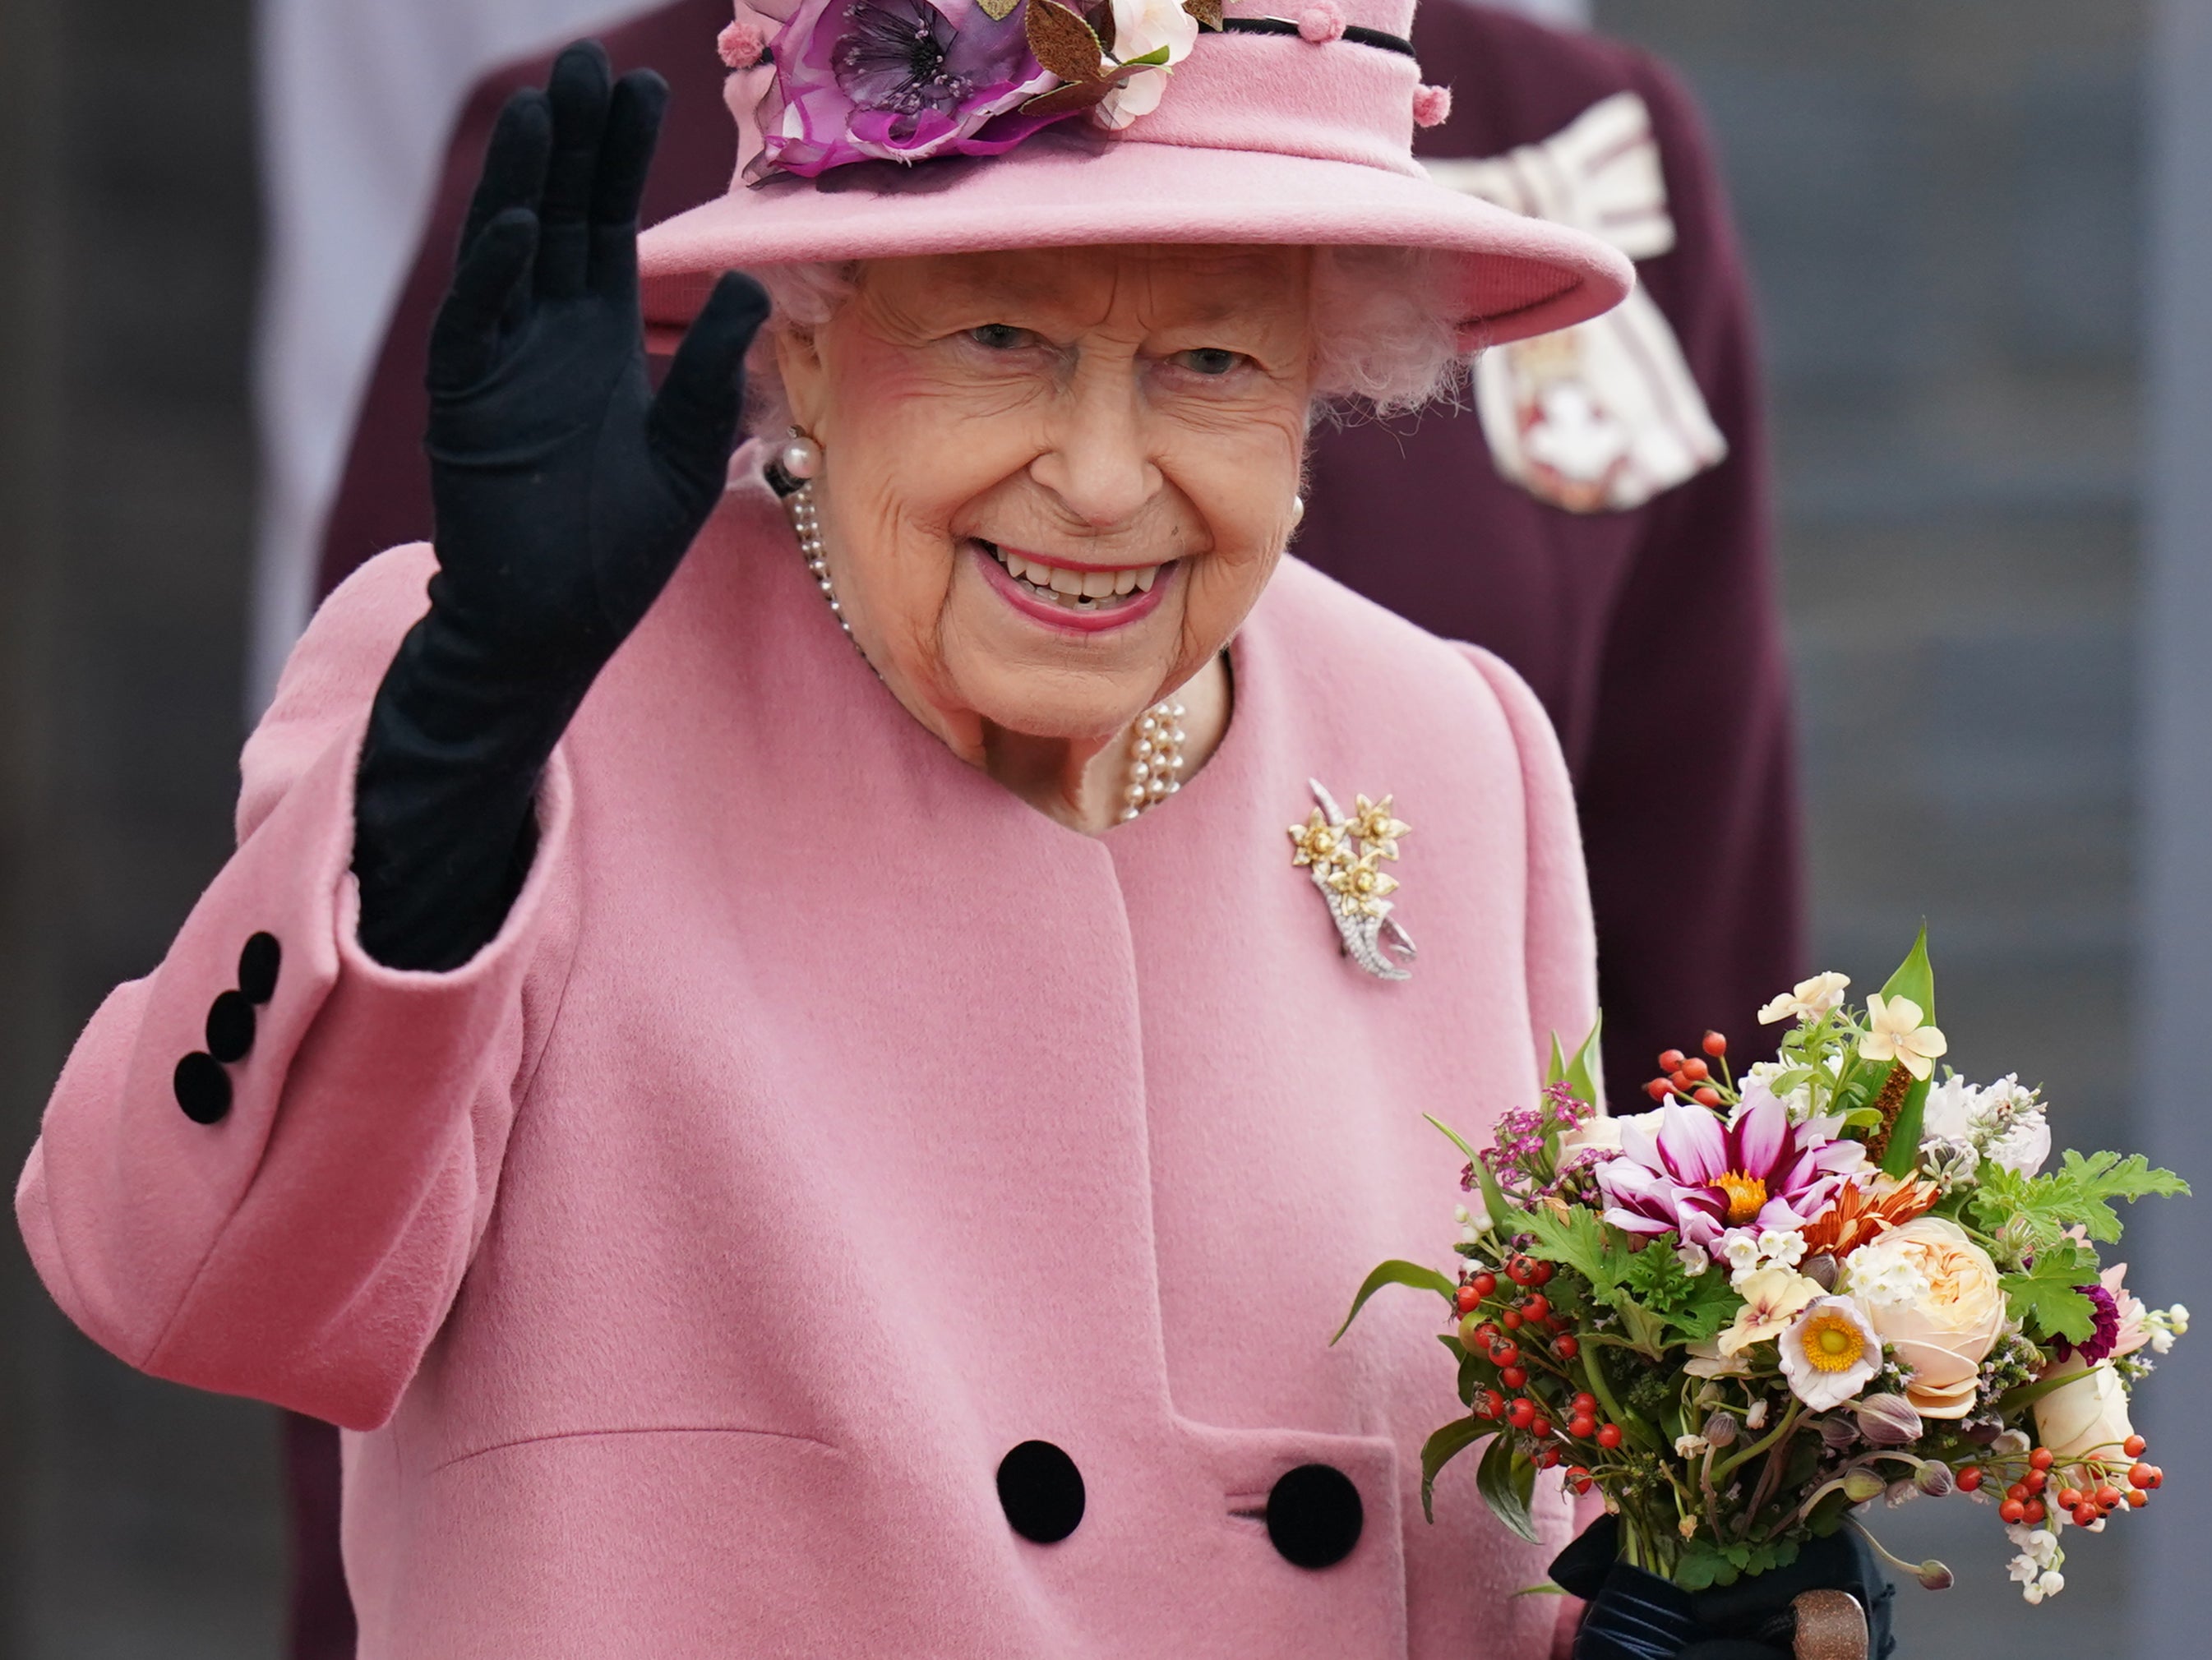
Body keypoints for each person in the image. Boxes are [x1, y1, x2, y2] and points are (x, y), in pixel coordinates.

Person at [20, 9, 1849, 1658]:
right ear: (803, 352)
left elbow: (1530, 1524)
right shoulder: (532, 702)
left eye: (1211, 363)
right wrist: (454, 757)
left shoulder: (1453, 754)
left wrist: (1683, 1617)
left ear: (1323, 387)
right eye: (1000, 339)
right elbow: (189, 1286)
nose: (1104, 478)